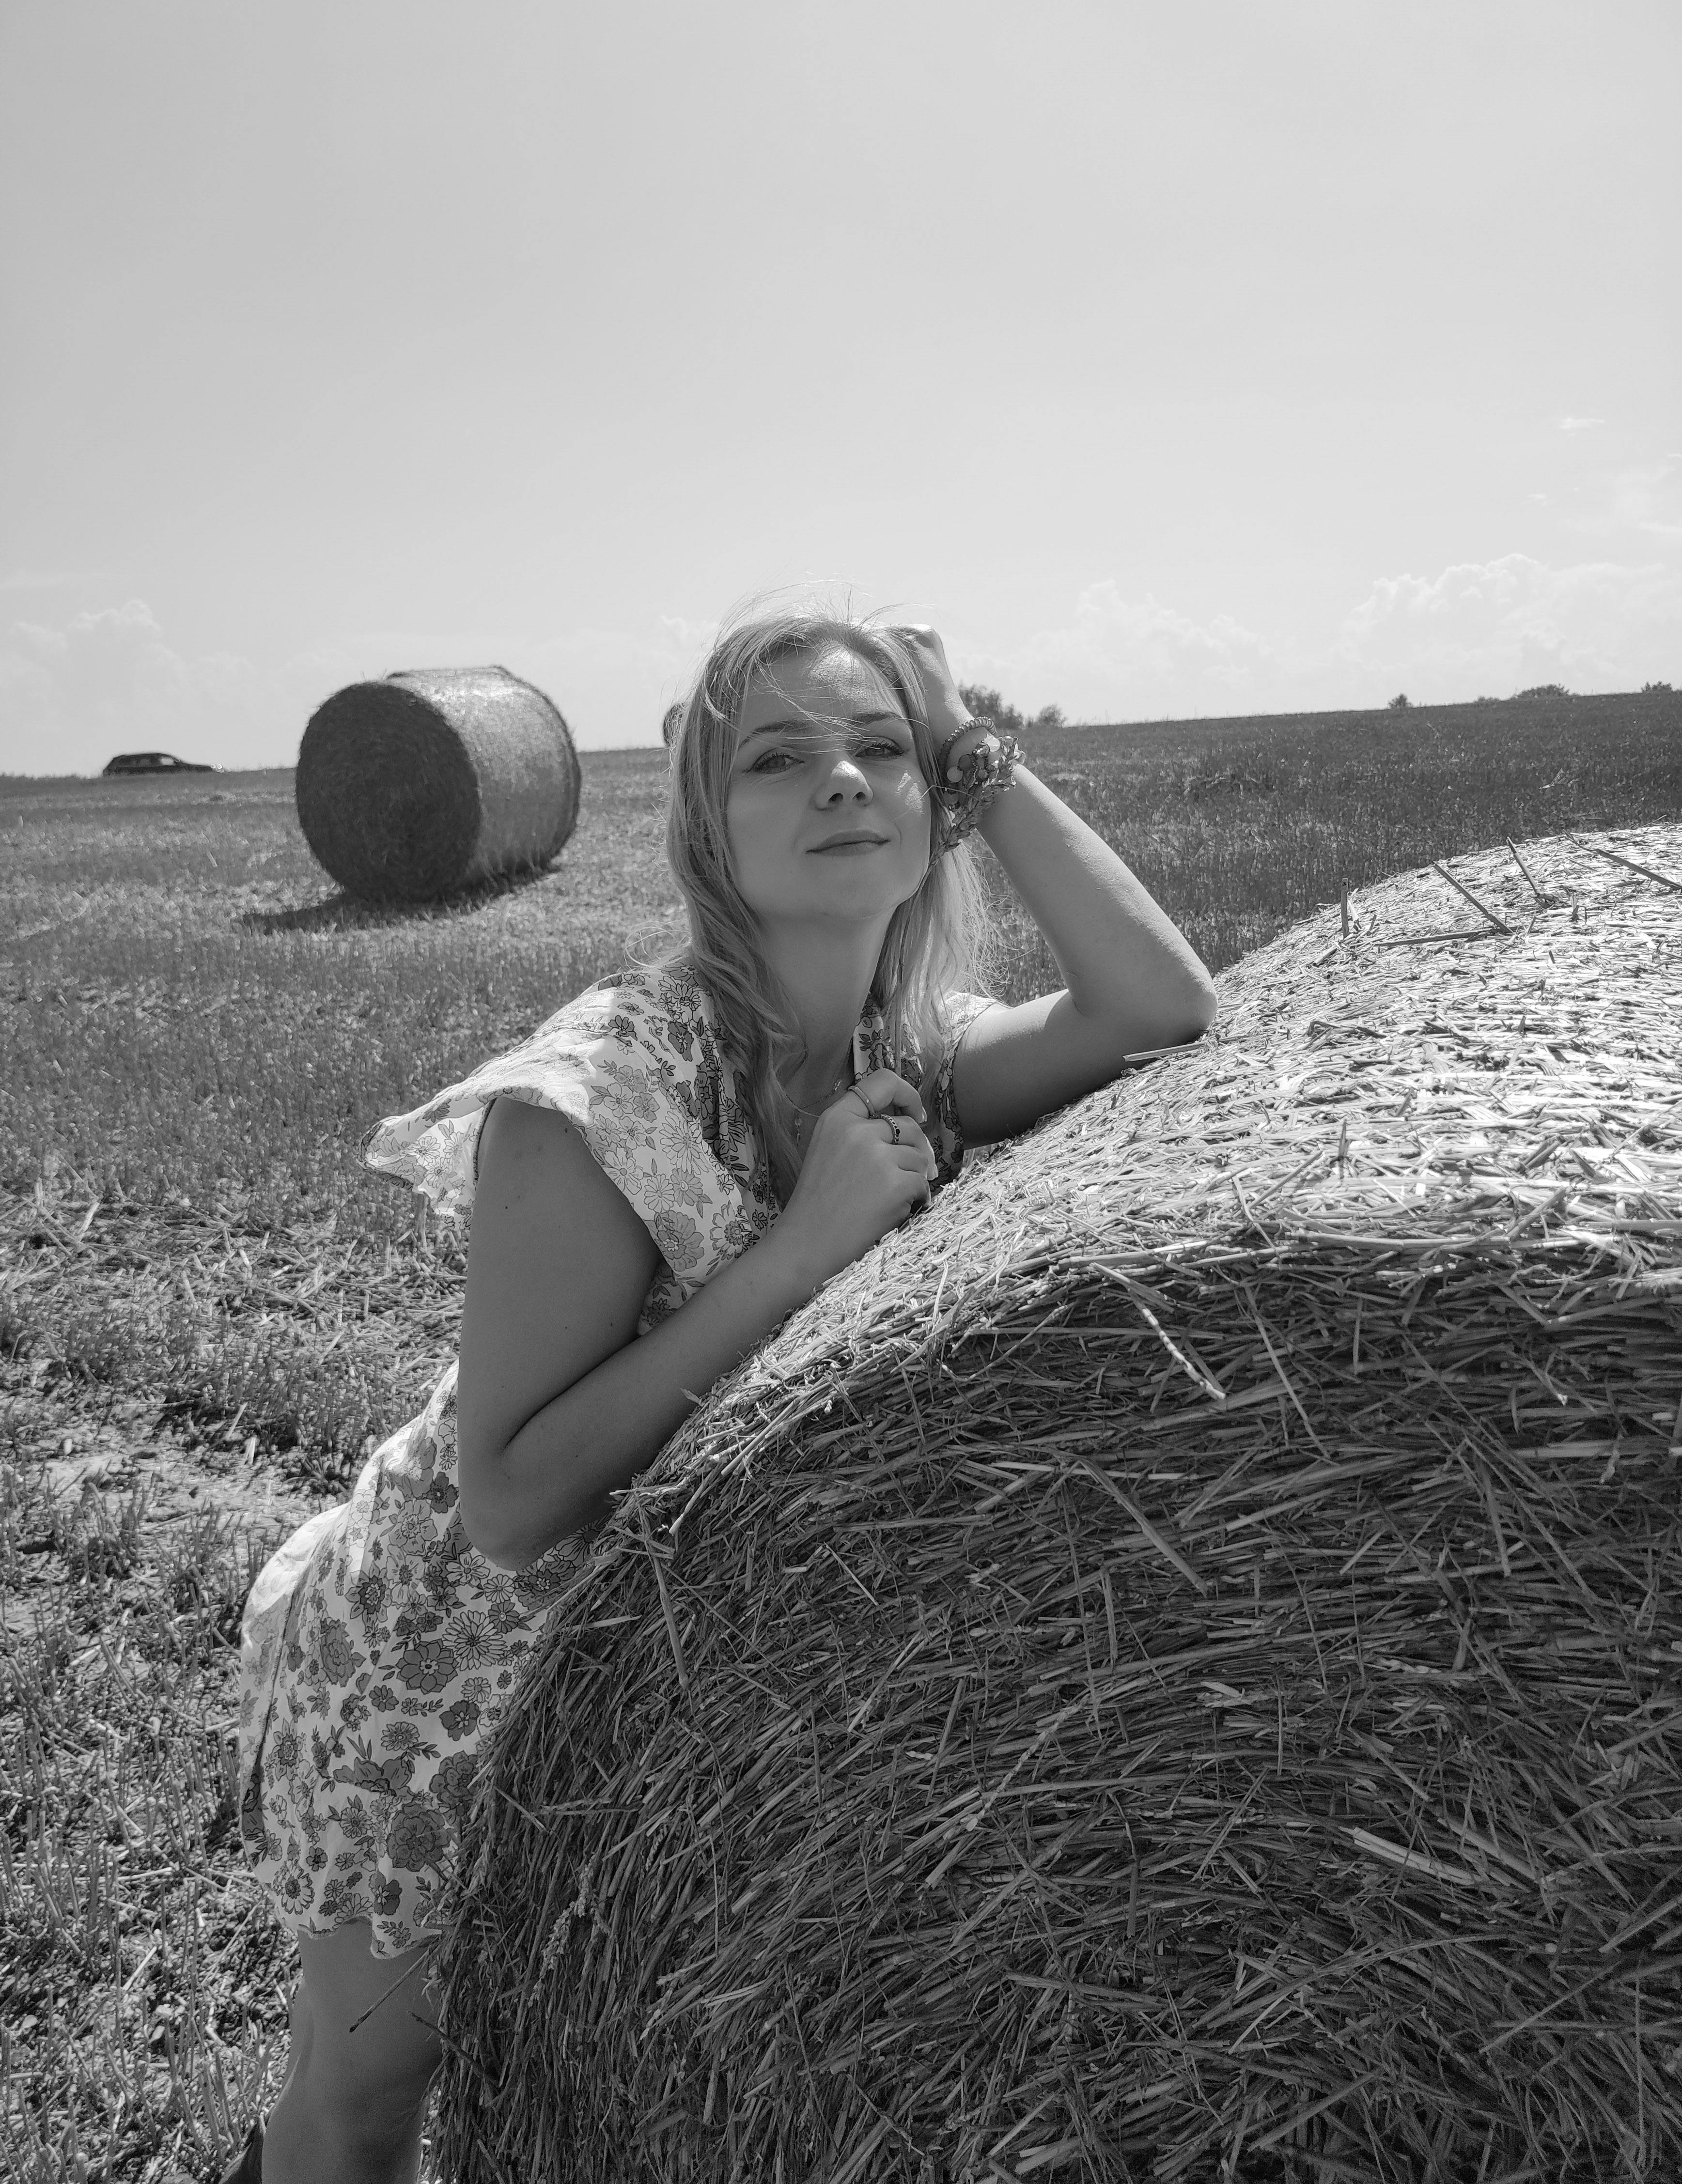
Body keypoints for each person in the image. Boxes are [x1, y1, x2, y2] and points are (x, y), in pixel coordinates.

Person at [224, 604, 1216, 2184]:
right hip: (448, 1679)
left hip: (663, 1681)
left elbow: (1163, 1010)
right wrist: (806, 1248)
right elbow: (508, 1504)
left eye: (881, 750)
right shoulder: (595, 1097)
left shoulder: (910, 1048)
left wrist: (977, 753)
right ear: (706, 822)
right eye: (780, 757)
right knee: (364, 2103)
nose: (842, 780)